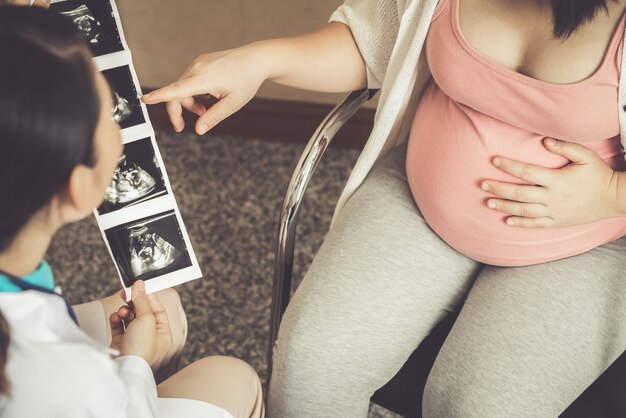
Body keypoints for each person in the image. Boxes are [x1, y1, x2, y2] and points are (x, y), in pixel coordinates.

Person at [143, 0, 626, 416]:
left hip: (582, 242)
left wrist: (606, 192)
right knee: (312, 365)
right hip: (420, 197)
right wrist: (258, 60)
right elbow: (372, 43)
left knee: (476, 407)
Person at [0, 5, 264, 418]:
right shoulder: (64, 377)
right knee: (234, 378)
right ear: (79, 187)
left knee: (166, 310)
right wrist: (133, 366)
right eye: (109, 116)